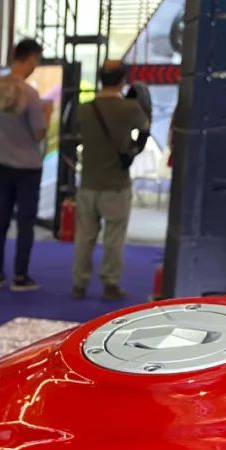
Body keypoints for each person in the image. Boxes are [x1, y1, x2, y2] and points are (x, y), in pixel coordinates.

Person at [71, 60, 149, 302]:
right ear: (122, 80)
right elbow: (145, 130)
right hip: (116, 184)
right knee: (114, 238)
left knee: (84, 237)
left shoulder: (85, 109)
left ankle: (79, 283)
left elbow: (72, 136)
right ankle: (110, 283)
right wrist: (132, 151)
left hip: (88, 182)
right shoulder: (130, 109)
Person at [0, 39, 48, 292]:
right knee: (25, 223)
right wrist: (47, 115)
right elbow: (38, 133)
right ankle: (20, 276)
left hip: (1, 162)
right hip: (27, 167)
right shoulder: (29, 94)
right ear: (31, 59)